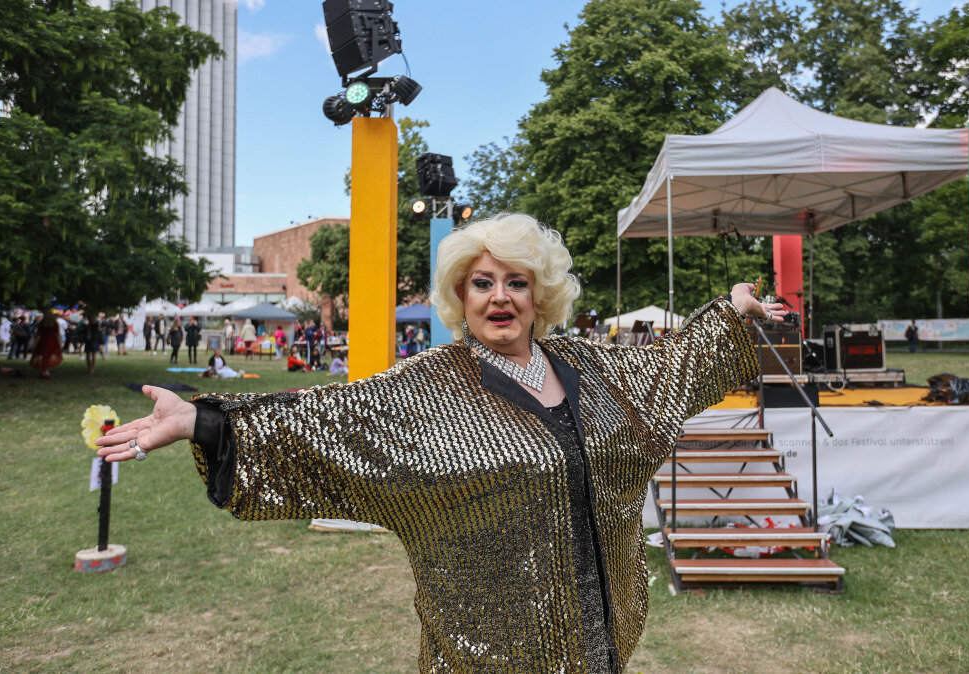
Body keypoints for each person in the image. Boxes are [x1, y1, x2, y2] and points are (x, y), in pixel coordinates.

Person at [96, 213, 782, 672]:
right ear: (460, 296)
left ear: (541, 295)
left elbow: (665, 371)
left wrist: (732, 316)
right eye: (482, 283)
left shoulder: (589, 365)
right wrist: (205, 422)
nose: (500, 297)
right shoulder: (427, 386)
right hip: (484, 654)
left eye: (517, 282)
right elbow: (330, 420)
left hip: (602, 641)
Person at [29, 310, 63, 379]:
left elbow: (38, 334)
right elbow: (57, 334)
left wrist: (35, 343)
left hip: (43, 341)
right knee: (48, 355)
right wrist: (59, 343)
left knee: (43, 354)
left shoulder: (42, 324)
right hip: (52, 341)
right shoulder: (55, 324)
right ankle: (45, 371)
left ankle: (44, 370)